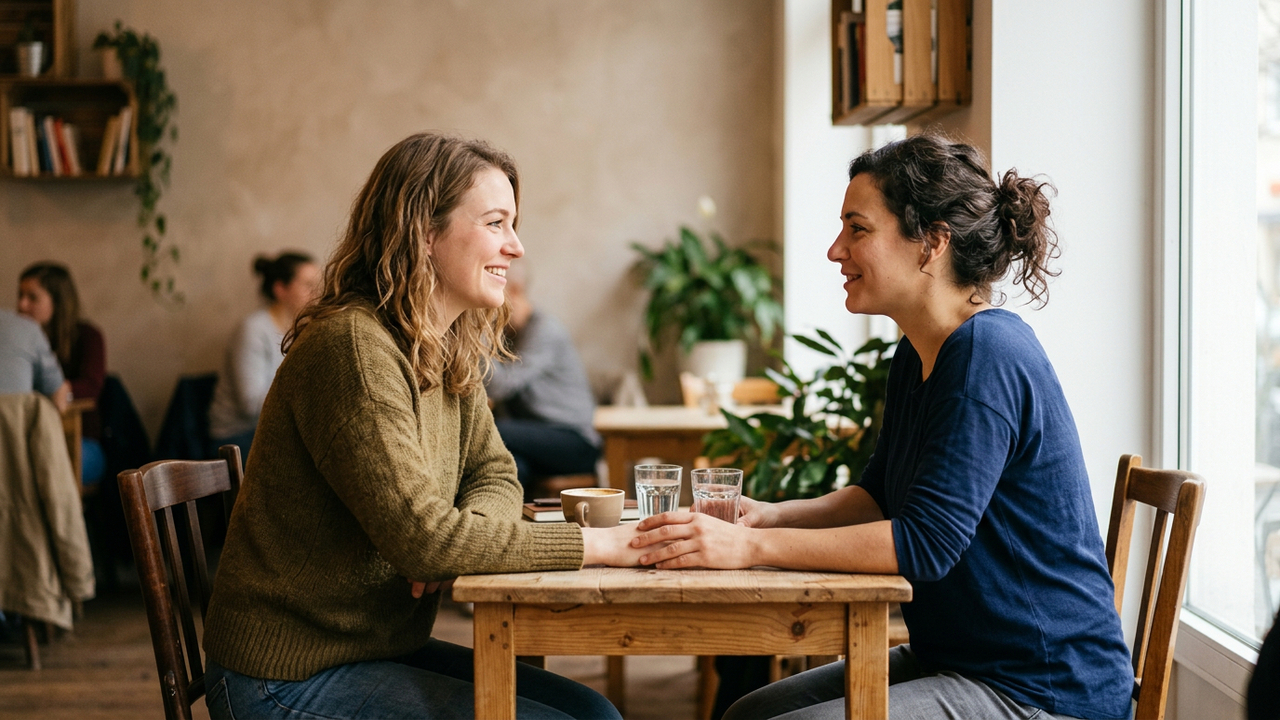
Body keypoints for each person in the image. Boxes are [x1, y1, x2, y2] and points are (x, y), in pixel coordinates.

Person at [632, 135, 1134, 720]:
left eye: (858, 229)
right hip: (962, 660)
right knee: (747, 714)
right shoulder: (919, 354)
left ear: (933, 244)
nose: (835, 250)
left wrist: (747, 546)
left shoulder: (986, 354)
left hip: (1044, 689)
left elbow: (926, 543)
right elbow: (876, 498)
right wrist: (767, 514)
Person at [201, 132, 644, 720]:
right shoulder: (355, 348)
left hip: (370, 647)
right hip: (285, 677)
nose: (515, 246)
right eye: (495, 223)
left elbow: (495, 475)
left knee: (594, 715)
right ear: (424, 233)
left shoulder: (444, 344)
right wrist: (600, 545)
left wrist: (458, 549)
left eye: (513, 224)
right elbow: (426, 540)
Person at [485, 264, 601, 495]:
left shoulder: (544, 330)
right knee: (511, 464)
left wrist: (476, 329)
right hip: (536, 440)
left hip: (574, 441)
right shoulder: (510, 335)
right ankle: (511, 524)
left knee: (490, 430)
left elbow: (498, 387)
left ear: (515, 290)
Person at [207, 252, 320, 457]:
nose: (317, 293)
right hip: (237, 438)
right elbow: (250, 406)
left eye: (318, 285)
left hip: (270, 429)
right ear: (280, 289)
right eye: (308, 285)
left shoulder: (304, 329)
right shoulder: (253, 330)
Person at [16, 263, 103, 484]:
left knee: (39, 469)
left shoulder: (87, 337)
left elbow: (92, 386)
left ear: (57, 301)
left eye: (32, 298)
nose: (21, 305)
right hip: (28, 438)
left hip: (79, 440)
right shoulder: (16, 342)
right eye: (20, 296)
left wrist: (63, 389)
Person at [0, 308, 69, 409]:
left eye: (33, 298)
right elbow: (59, 398)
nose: (22, 304)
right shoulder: (27, 327)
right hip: (15, 421)